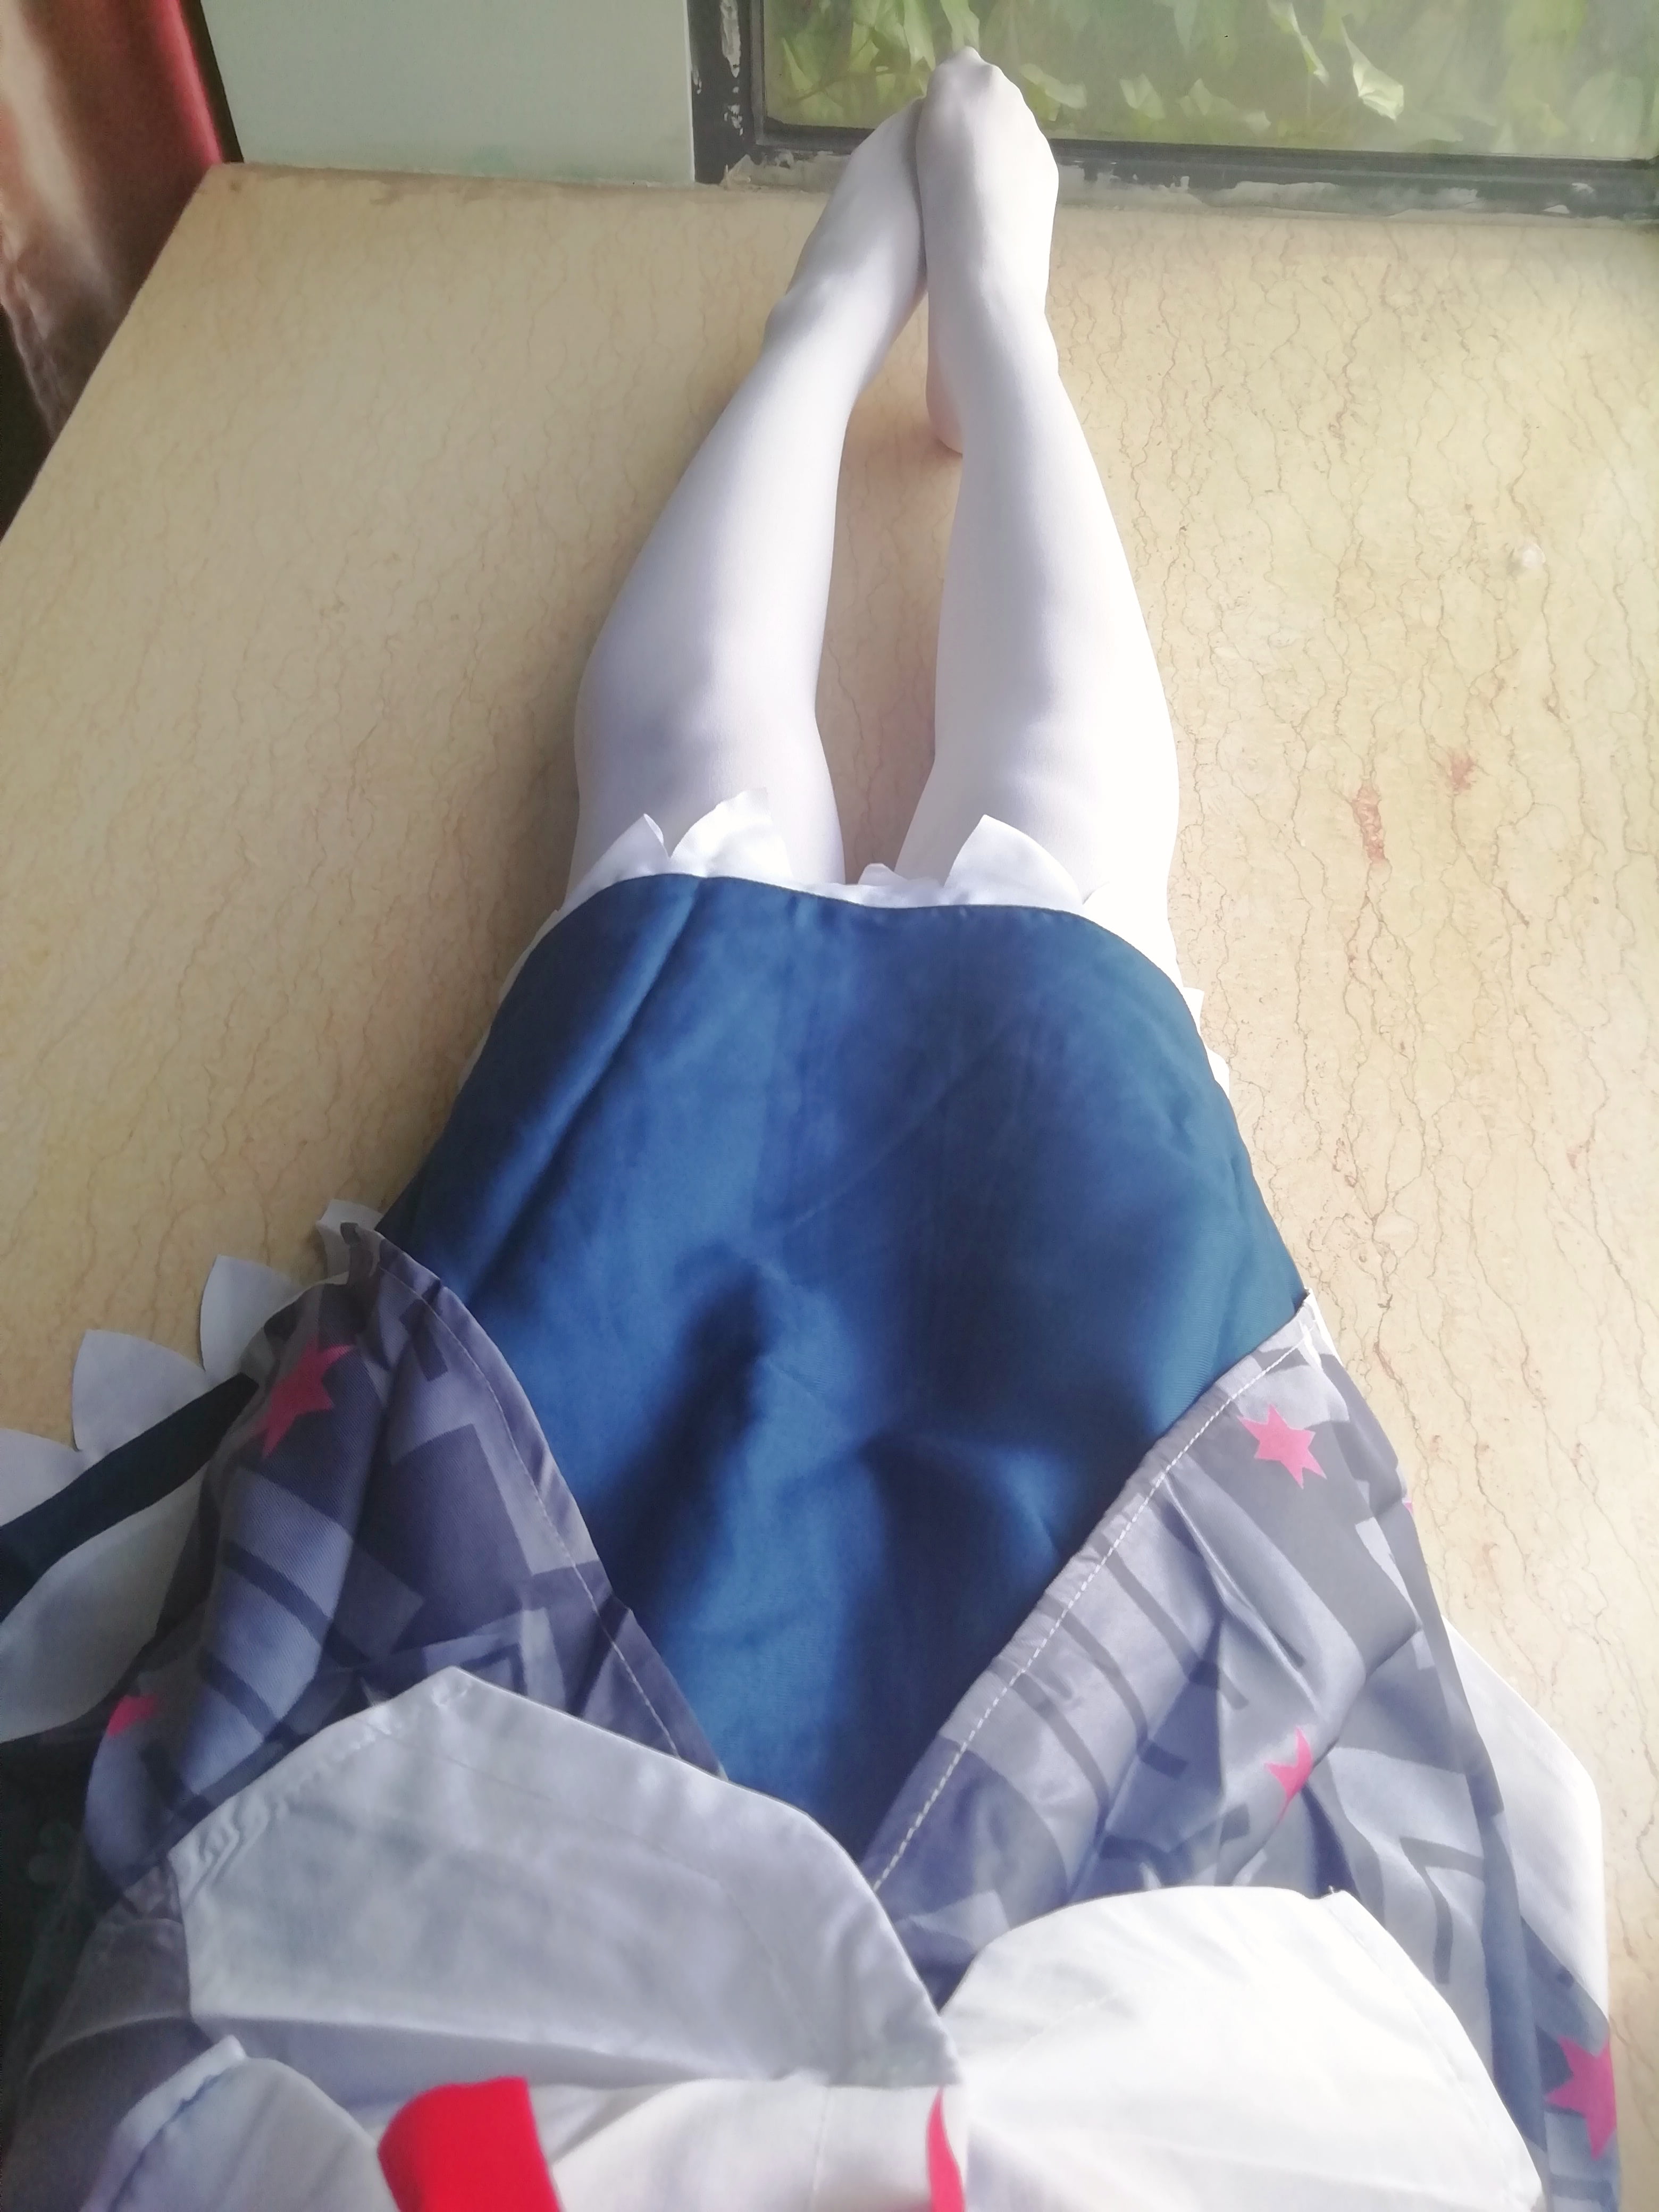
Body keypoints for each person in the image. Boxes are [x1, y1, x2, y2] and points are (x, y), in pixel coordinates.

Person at [0, 53, 1611, 2212]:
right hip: (1124, 1862)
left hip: (516, 1783)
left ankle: (858, 321)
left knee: (733, 835)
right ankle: (985, 327)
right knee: (1030, 884)